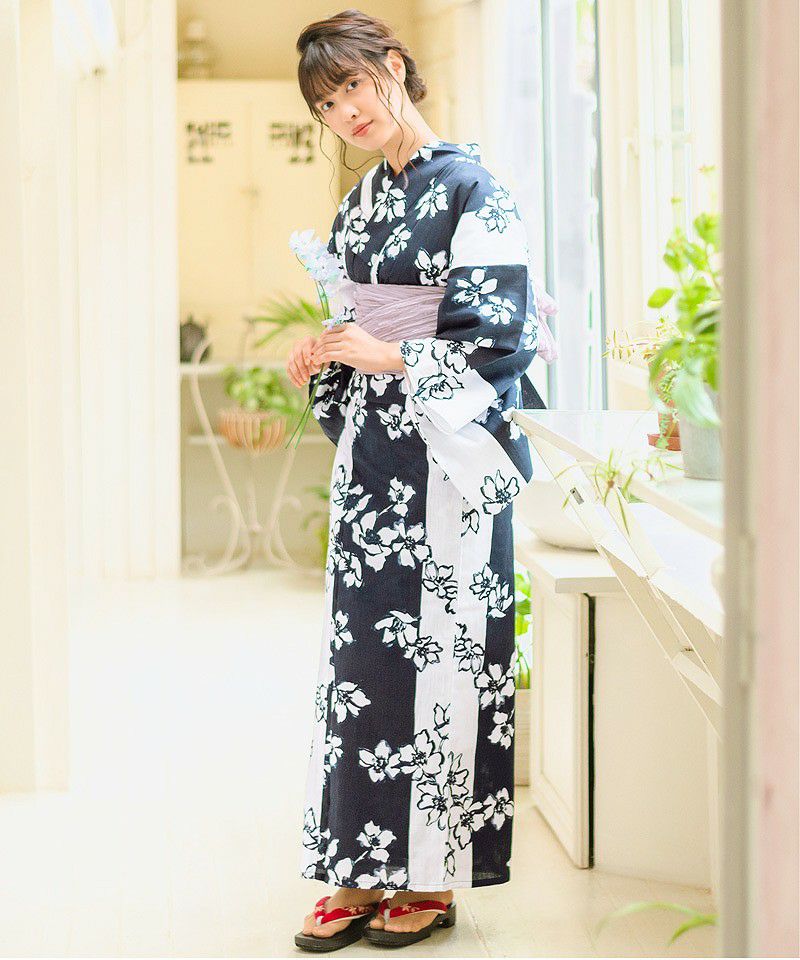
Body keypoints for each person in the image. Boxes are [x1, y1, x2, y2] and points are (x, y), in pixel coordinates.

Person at [287, 8, 547, 952]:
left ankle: (432, 876)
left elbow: (500, 334)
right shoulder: (359, 204)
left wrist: (391, 355)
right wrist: (327, 351)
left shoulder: (478, 189)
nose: (346, 112)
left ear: (394, 67)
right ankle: (359, 867)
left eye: (354, 85)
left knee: (448, 658)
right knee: (363, 668)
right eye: (327, 104)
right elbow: (355, 319)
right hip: (376, 460)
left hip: (450, 460)